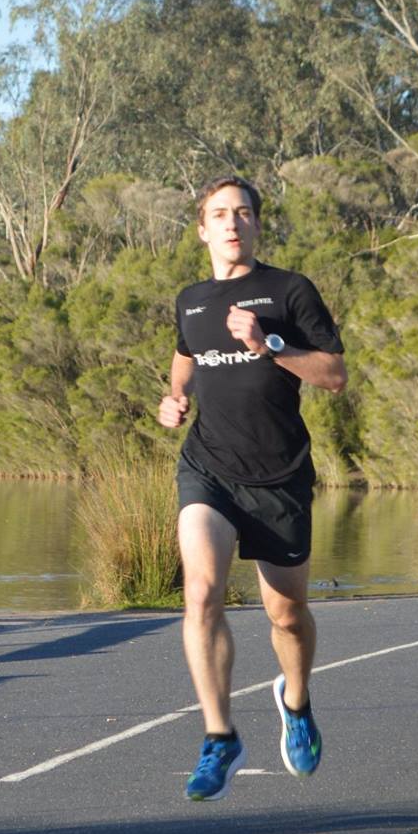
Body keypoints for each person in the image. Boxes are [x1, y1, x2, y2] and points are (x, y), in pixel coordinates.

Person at [156, 176, 348, 801]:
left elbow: (334, 374)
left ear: (257, 225)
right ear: (202, 230)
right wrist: (175, 398)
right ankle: (220, 737)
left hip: (280, 475)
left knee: (286, 615)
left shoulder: (290, 291)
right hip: (208, 468)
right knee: (201, 592)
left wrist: (267, 343)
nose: (232, 223)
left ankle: (296, 702)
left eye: (242, 213)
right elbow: (185, 357)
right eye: (220, 214)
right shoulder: (191, 300)